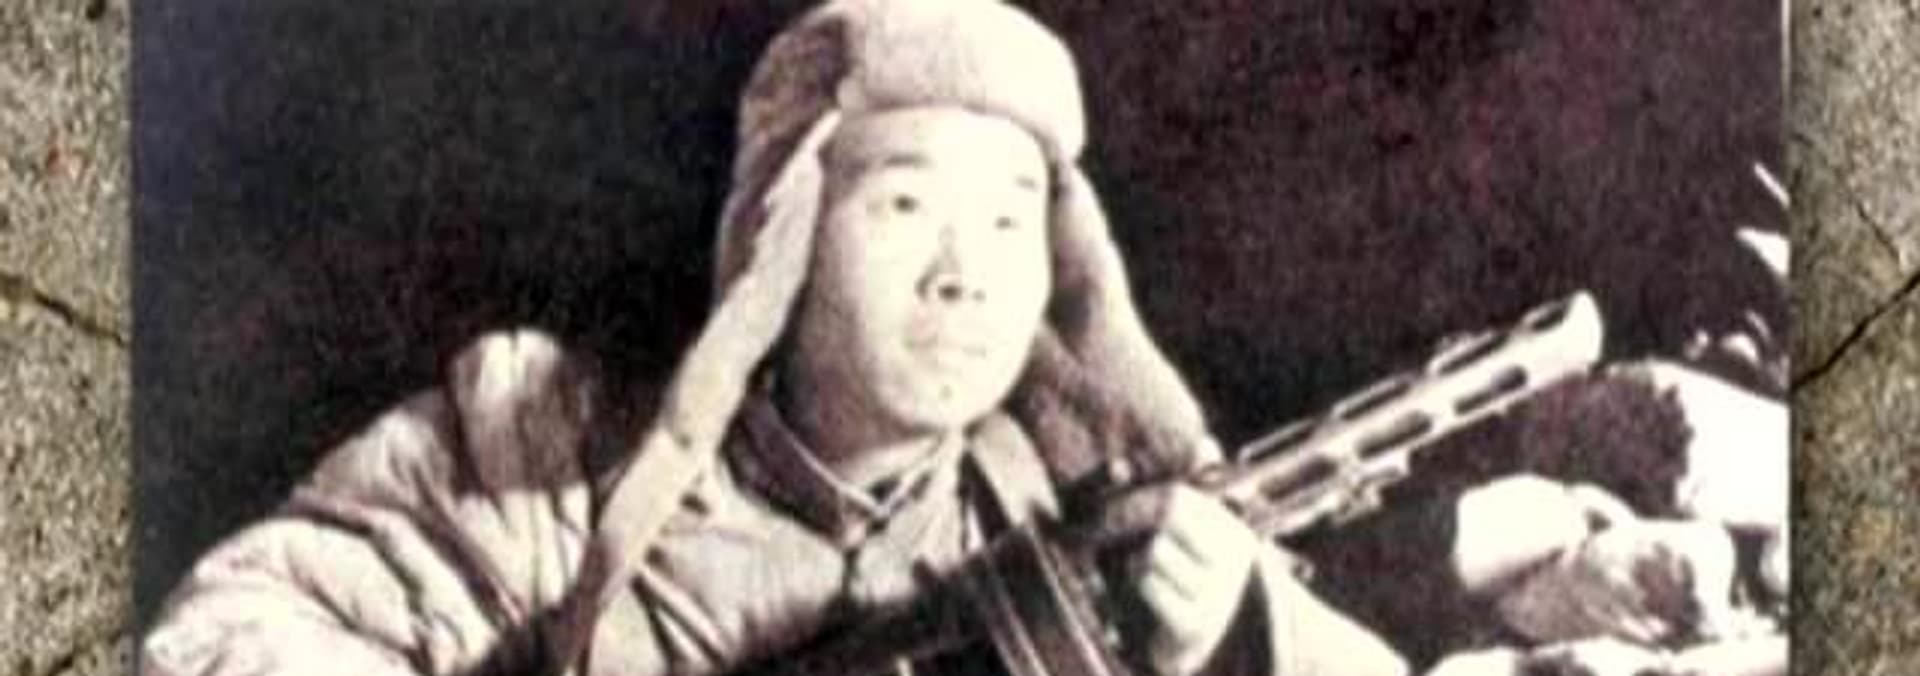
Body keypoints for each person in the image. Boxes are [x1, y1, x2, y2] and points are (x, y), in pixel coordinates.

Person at [140, 2, 1409, 675]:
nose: (966, 274)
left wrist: (1235, 644)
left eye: (1009, 220)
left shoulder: (1078, 505)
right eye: (904, 206)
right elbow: (230, 628)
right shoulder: (548, 461)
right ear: (786, 240)